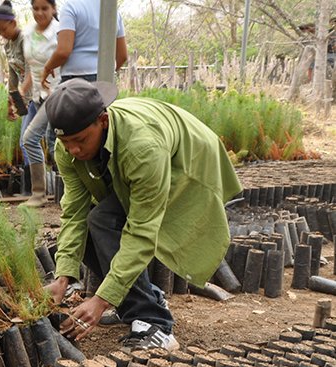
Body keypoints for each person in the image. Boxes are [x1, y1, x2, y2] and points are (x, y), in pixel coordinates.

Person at [41, 79, 241, 350]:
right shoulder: (67, 149)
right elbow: (73, 212)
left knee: (105, 221)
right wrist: (62, 277)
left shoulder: (143, 148)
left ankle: (155, 324)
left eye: (79, 140)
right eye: (65, 142)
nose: (73, 149)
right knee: (92, 220)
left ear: (102, 120)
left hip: (185, 161)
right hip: (145, 153)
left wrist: (101, 300)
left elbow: (142, 231)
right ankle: (145, 299)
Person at [0, 1, 36, 196]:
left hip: (45, 94)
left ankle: (41, 190)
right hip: (29, 98)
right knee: (26, 141)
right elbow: (13, 75)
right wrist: (11, 102)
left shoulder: (26, 39)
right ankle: (31, 189)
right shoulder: (8, 45)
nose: (2, 34)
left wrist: (21, 96)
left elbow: (34, 70)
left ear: (13, 22)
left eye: (3, 29)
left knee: (45, 141)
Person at [18, 0, 60, 207]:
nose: (40, 12)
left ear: (54, 9)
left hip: (56, 93)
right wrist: (22, 90)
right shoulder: (28, 33)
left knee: (46, 141)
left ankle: (44, 194)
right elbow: (31, 68)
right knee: (34, 140)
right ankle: (40, 194)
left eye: (45, 8)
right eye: (36, 8)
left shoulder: (59, 32)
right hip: (37, 96)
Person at [39, 0, 128, 88]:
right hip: (106, 83)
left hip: (76, 82)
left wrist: (47, 67)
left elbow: (63, 51)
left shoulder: (70, 7)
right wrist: (107, 72)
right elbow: (122, 56)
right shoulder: (113, 12)